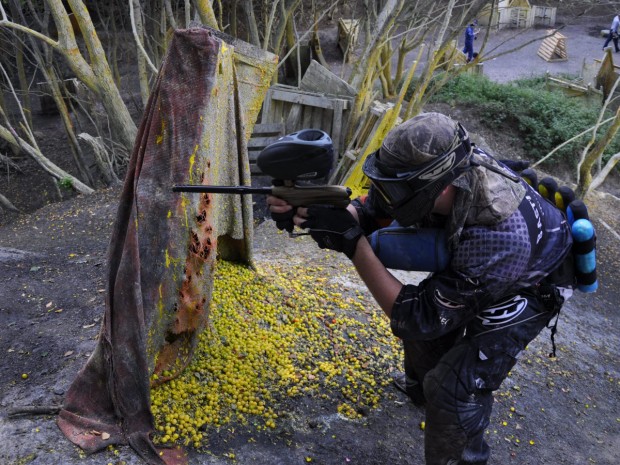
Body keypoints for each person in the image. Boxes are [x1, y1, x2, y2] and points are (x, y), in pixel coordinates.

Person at [267, 112, 575, 465]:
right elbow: (376, 208)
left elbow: (419, 316)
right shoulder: (429, 176)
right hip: (478, 260)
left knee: (452, 389)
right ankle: (418, 391)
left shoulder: (500, 236)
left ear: (440, 186)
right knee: (430, 353)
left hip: (531, 284)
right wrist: (320, 216)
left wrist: (354, 245)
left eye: (393, 189)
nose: (385, 195)